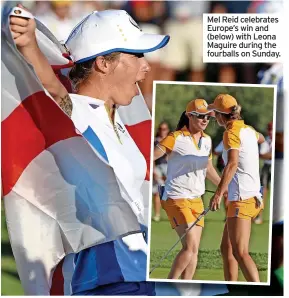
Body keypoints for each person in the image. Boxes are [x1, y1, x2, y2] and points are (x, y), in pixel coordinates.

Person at [10, 5, 169, 295]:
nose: (146, 66)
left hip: (138, 269)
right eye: (137, 56)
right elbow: (54, 91)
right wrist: (31, 46)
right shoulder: (75, 113)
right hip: (102, 277)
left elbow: (117, 170)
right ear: (103, 64)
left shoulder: (120, 118)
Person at [153, 99, 223, 280]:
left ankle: (185, 288)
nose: (205, 120)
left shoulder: (207, 140)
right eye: (201, 116)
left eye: (208, 117)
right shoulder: (175, 137)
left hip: (196, 200)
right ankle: (168, 285)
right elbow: (149, 157)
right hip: (176, 197)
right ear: (189, 116)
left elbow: (208, 168)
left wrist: (225, 186)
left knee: (194, 250)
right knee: (190, 248)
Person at [208, 94, 265, 282]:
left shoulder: (230, 133)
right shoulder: (248, 129)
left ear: (222, 115)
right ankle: (231, 288)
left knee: (240, 252)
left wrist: (217, 194)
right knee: (227, 249)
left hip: (243, 199)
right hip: (251, 197)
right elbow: (262, 138)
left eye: (215, 112)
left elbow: (231, 164)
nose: (214, 117)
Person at [255, 121, 273, 224]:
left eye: (272, 129)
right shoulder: (265, 141)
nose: (271, 132)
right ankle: (258, 216)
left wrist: (270, 154)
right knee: (262, 191)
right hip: (267, 167)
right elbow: (262, 154)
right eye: (270, 130)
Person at [152, 121, 170, 222]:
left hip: (169, 168)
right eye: (161, 129)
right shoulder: (155, 141)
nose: (162, 131)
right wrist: (153, 170)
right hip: (158, 167)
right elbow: (152, 157)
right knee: (156, 192)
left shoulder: (171, 141)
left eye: (164, 129)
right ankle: (157, 215)